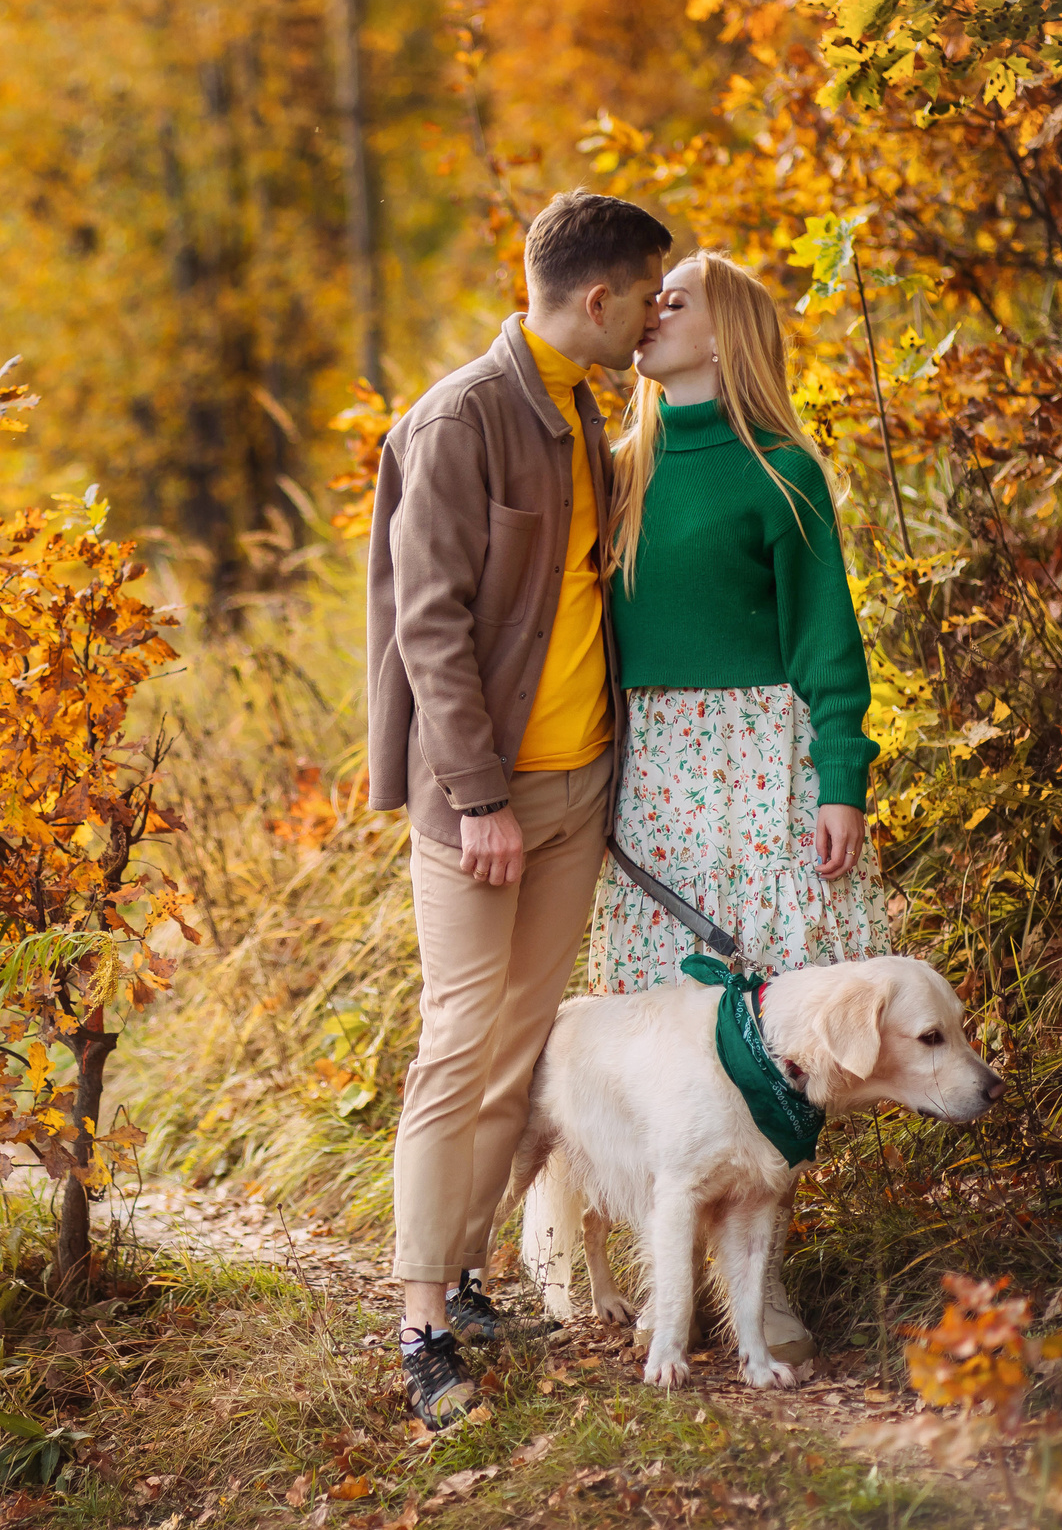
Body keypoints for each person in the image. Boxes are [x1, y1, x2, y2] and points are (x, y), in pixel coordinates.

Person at [364, 189, 671, 1428]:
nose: (652, 318)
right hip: (477, 806)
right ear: (595, 298)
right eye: (646, 296)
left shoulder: (585, 416)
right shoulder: (462, 418)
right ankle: (421, 1325)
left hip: (575, 791)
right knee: (455, 1045)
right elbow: (428, 625)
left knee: (512, 1052)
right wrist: (480, 796)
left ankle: (470, 1274)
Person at [589, 248, 891, 1364]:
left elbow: (827, 641)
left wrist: (839, 779)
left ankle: (756, 1296)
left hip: (760, 767)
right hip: (651, 768)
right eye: (646, 299)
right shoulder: (615, 465)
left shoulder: (783, 471)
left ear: (725, 334)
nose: (646, 314)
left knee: (762, 1031)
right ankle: (636, 1272)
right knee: (648, 1023)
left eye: (674, 302)